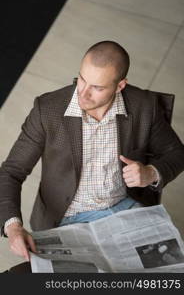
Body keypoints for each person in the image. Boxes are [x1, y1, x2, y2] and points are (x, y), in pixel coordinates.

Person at [0, 41, 184, 272]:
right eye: (82, 79)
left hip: (124, 208)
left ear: (120, 86)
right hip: (66, 217)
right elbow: (11, 172)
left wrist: (151, 173)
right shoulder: (47, 110)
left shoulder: (144, 106)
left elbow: (177, 153)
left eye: (97, 87)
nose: (83, 94)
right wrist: (13, 226)